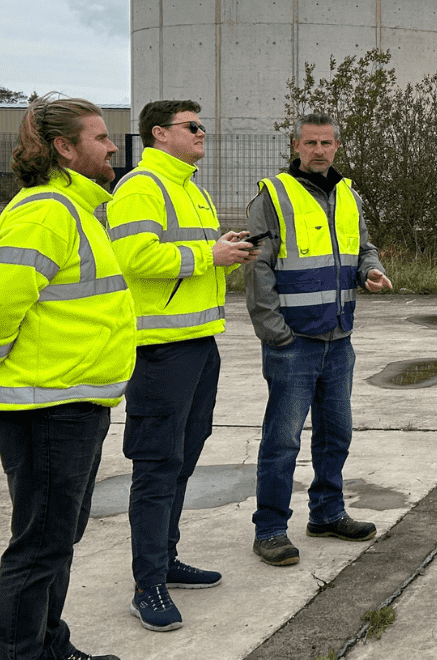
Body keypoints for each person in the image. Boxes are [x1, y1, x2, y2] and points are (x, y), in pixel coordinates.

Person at [0, 94, 131, 660]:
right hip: (45, 404)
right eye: (100, 138)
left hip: (73, 399)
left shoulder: (76, 209)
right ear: (64, 148)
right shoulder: (46, 210)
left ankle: (52, 646)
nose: (112, 147)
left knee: (57, 539)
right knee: (39, 545)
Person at [106, 99, 257, 631]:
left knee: (183, 460)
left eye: (201, 126)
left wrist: (225, 250)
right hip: (158, 350)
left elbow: (190, 257)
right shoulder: (142, 186)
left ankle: (165, 561)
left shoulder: (191, 188)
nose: (201, 134)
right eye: (192, 127)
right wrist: (207, 256)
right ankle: (147, 584)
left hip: (197, 342)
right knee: (156, 465)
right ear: (158, 133)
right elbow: (134, 257)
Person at [244, 112, 393, 566]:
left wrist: (372, 270)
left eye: (327, 143)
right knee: (283, 439)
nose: (319, 150)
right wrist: (275, 333)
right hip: (295, 342)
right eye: (310, 143)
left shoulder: (349, 196)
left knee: (336, 434)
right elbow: (256, 265)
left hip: (338, 337)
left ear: (337, 146)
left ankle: (327, 513)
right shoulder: (274, 196)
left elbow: (362, 247)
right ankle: (270, 529)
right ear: (295, 145)